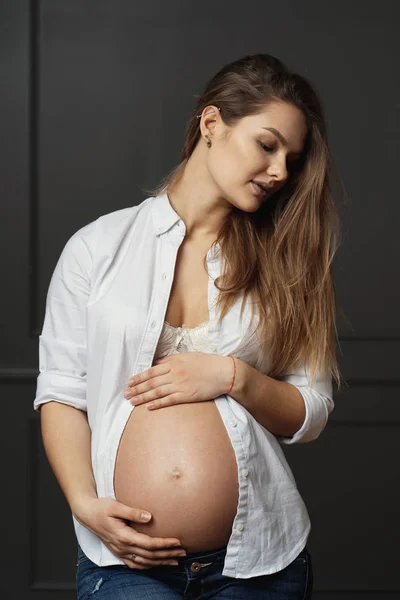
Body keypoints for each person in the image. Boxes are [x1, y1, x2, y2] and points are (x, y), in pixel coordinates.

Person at [34, 53, 345, 599]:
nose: (279, 172)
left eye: (291, 160)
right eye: (267, 145)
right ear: (211, 123)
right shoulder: (95, 248)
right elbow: (62, 391)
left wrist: (232, 376)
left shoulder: (288, 264)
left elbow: (311, 410)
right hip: (123, 561)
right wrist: (85, 505)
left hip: (258, 564)